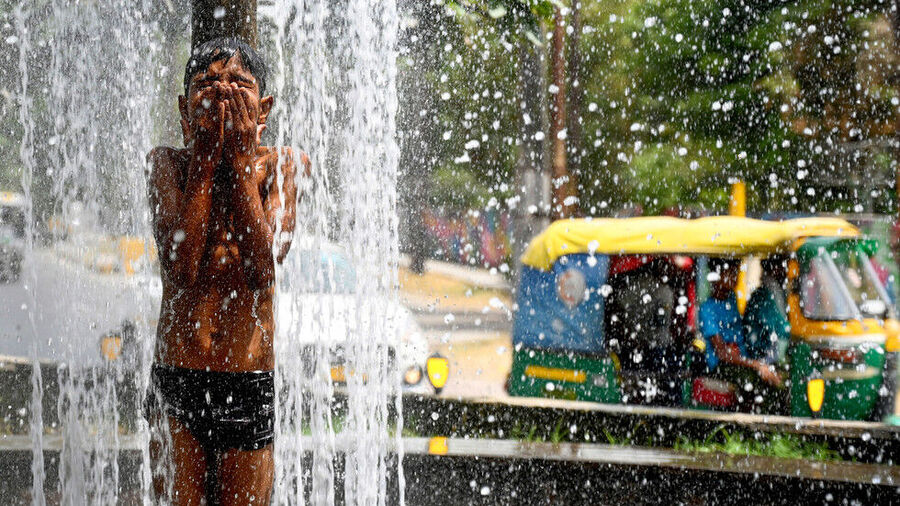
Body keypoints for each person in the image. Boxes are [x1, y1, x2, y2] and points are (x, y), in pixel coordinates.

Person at [146, 37, 302, 505]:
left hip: (247, 378)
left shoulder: (282, 167)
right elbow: (184, 269)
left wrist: (235, 159)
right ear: (183, 107)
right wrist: (208, 160)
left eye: (238, 84)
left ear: (265, 106)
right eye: (207, 84)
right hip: (178, 375)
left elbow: (262, 268)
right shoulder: (166, 166)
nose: (222, 93)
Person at [699, 257, 783, 413]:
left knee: (779, 375)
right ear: (717, 276)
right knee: (752, 381)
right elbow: (722, 353)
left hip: (742, 359)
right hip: (722, 366)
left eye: (736, 273)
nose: (735, 278)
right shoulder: (707, 309)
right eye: (730, 273)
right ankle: (751, 426)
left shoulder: (731, 299)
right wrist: (758, 365)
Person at [743, 255, 790, 364]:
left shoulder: (773, 289)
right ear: (775, 268)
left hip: (764, 350)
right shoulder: (765, 293)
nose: (786, 270)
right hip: (761, 355)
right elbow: (778, 327)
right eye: (783, 266)